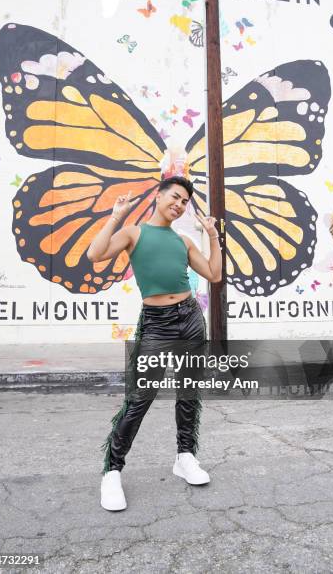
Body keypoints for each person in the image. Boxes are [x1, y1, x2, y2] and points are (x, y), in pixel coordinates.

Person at [87, 176, 222, 511]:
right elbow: (95, 254)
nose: (178, 205)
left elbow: (214, 274)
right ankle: (112, 471)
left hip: (191, 318)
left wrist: (213, 238)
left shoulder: (184, 240)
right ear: (160, 196)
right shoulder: (134, 233)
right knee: (139, 399)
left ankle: (185, 456)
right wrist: (116, 216)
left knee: (188, 392)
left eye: (184, 202)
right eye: (174, 197)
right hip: (157, 325)